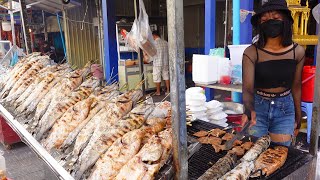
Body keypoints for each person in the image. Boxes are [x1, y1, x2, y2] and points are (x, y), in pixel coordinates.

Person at [241, 0, 305, 146]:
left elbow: (296, 86)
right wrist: (249, 109)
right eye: (264, 20)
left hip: (285, 109)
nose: (270, 22)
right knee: (254, 153)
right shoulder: (251, 52)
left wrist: (298, 114)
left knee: (279, 154)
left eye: (275, 18)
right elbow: (248, 88)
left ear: (286, 22)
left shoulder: (297, 52)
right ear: (260, 25)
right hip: (259, 106)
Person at [151, 30, 170, 95]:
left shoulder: (154, 43)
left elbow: (152, 54)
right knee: (166, 75)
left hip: (157, 63)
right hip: (165, 62)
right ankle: (168, 91)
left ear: (154, 35)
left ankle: (158, 92)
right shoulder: (166, 43)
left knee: (157, 77)